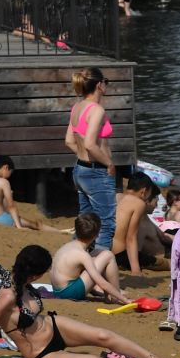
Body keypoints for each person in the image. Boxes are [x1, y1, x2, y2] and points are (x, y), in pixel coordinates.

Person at [0, 247, 174, 358]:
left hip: (54, 326)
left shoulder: (19, 279)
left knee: (103, 335)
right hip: (42, 352)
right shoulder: (7, 296)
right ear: (35, 274)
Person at [66, 68, 118, 251]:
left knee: (84, 223)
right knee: (105, 224)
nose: (106, 85)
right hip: (96, 172)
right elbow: (90, 144)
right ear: (99, 85)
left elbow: (69, 141)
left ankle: (76, 261)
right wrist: (108, 163)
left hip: (80, 169)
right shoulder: (96, 110)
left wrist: (84, 157)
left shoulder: (77, 107)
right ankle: (100, 269)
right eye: (106, 81)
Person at [49, 213, 129, 303]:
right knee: (108, 255)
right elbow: (102, 283)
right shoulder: (82, 254)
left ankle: (109, 296)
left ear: (76, 230)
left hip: (57, 291)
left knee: (99, 253)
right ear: (97, 235)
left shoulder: (68, 246)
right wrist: (125, 300)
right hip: (69, 292)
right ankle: (115, 297)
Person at [112, 177, 167, 275]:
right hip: (121, 256)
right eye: (150, 194)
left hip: (106, 250)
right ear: (144, 191)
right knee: (165, 264)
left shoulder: (118, 197)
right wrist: (135, 270)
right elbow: (131, 238)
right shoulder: (138, 203)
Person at [0, 157, 34, 229]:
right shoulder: (3, 182)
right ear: (6, 167)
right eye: (10, 173)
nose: (9, 176)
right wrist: (19, 226)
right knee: (37, 225)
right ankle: (54, 232)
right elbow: (11, 206)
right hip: (0, 219)